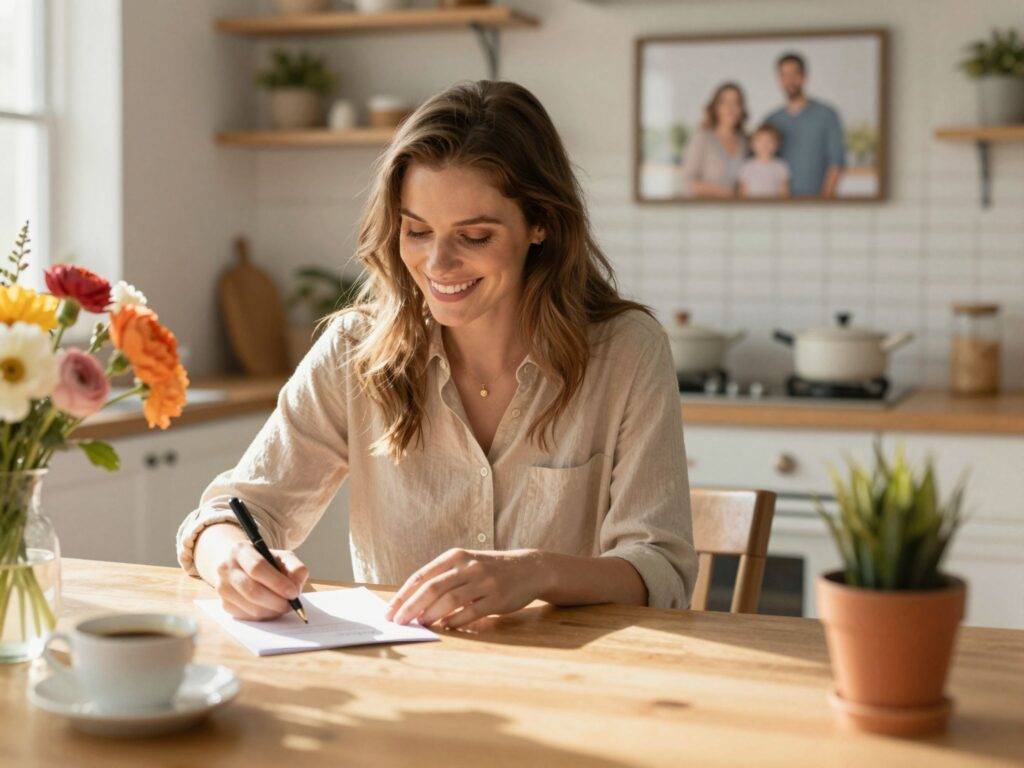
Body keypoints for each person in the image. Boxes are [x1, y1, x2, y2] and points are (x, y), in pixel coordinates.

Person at [176, 80, 698, 629]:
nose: (437, 263)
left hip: (574, 686)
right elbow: (228, 513)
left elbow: (660, 569)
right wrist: (231, 560)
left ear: (540, 223)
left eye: (474, 236)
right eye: (418, 231)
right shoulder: (355, 351)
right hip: (405, 681)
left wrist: (538, 572)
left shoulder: (626, 351)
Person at [765, 53, 845, 197]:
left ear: (804, 77)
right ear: (779, 79)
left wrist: (824, 202)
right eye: (784, 75)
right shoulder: (771, 120)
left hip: (817, 203)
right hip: (779, 205)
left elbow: (836, 162)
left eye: (794, 74)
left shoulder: (826, 115)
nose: (789, 80)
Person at [679, 82, 749, 198]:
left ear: (742, 109)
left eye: (736, 103)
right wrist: (728, 193)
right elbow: (688, 181)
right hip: (707, 211)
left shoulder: (745, 142)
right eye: (725, 103)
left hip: (736, 213)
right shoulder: (702, 138)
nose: (731, 108)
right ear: (715, 107)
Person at [738, 124, 790, 198]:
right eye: (760, 141)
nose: (764, 145)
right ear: (752, 144)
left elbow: (784, 192)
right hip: (752, 206)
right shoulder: (747, 166)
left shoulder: (780, 166)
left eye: (769, 141)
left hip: (774, 206)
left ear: (777, 145)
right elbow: (743, 192)